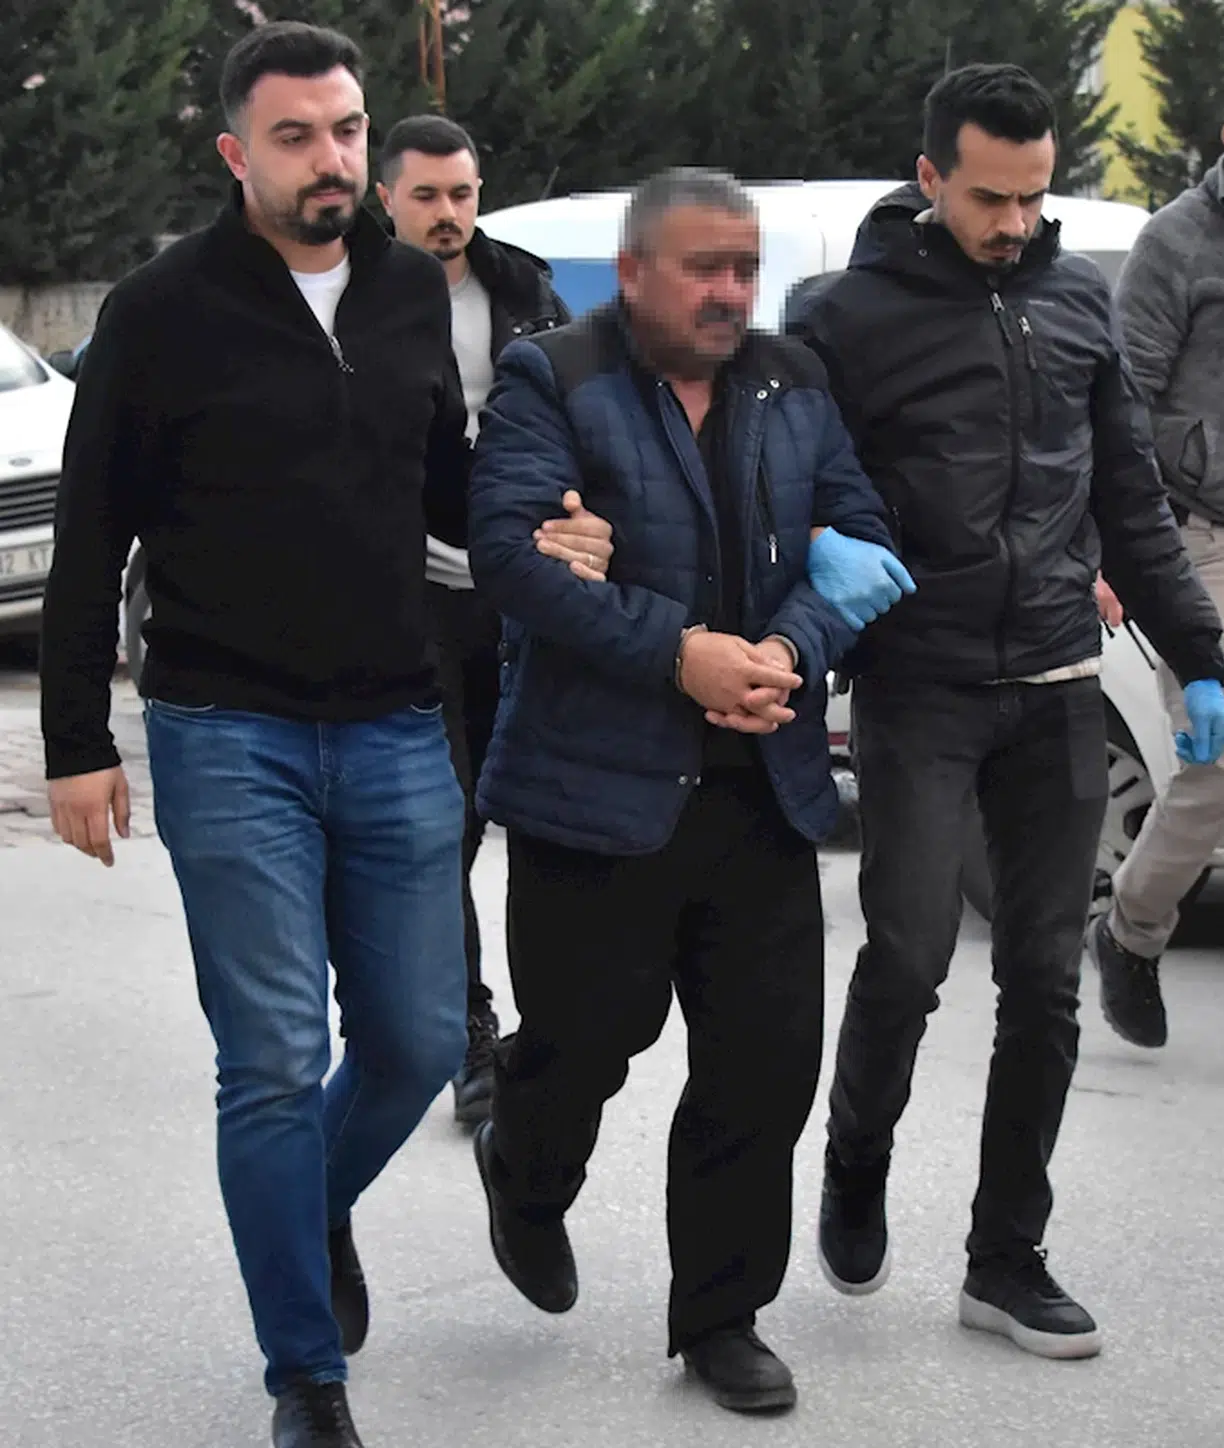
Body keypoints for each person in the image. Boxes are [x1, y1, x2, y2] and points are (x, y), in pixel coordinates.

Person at [37, 24, 587, 1448]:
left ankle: (306, 1208)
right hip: (226, 729)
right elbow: (89, 534)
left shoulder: (407, 293)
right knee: (274, 1059)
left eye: (346, 129)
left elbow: (446, 487)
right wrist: (76, 740)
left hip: (398, 716)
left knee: (414, 1041)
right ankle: (306, 1375)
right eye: (296, 136)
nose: (331, 157)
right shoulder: (162, 311)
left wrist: (546, 526)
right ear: (237, 153)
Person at [791, 63, 1224, 1362]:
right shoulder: (844, 317)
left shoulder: (1076, 302)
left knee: (1042, 982)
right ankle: (855, 1158)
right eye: (990, 197)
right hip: (918, 683)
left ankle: (1005, 1257)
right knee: (909, 954)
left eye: (1034, 197)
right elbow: (785, 482)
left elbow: (1129, 496)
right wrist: (816, 553)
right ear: (931, 178)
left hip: (1052, 685)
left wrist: (1195, 656)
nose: (1015, 222)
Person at [466, 167, 910, 1414]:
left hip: (761, 785)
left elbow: (862, 536)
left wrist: (784, 652)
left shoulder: (793, 380)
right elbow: (511, 554)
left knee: (761, 1068)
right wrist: (679, 652)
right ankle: (525, 1169)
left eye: (744, 269)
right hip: (592, 791)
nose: (728, 291)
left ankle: (721, 1315)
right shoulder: (553, 376)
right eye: (702, 267)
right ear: (633, 270)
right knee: (581, 1045)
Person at [376, 114, 590, 1125]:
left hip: (520, 591)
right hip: (407, 592)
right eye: (425, 195)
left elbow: (583, 414)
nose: (447, 213)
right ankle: (467, 1029)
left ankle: (541, 1034)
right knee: (446, 821)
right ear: (385, 197)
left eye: (460, 193)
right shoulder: (356, 300)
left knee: (540, 814)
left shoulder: (523, 291)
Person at [1086, 65, 1224, 1082]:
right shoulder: (1177, 244)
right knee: (1221, 771)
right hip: (1211, 537)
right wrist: (1122, 547)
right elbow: (1121, 408)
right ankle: (1130, 926)